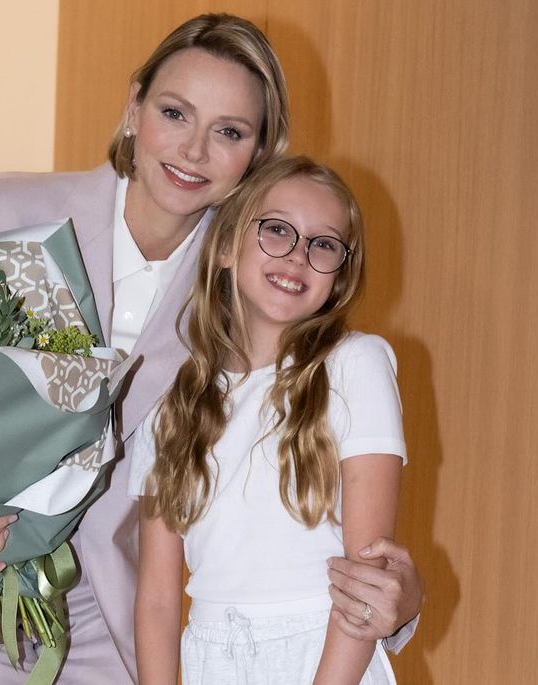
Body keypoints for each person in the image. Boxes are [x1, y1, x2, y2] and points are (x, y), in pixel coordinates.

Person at [0, 14, 423, 684]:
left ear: (259, 155)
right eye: (175, 113)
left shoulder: (247, 289)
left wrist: (400, 601)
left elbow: (274, 499)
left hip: (119, 634)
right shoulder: (5, 213)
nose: (193, 149)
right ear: (134, 107)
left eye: (230, 132)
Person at [130, 156, 405, 685]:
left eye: (324, 244)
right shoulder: (172, 398)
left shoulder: (354, 364)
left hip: (326, 659)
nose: (298, 255)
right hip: (211, 661)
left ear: (341, 273)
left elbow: (365, 578)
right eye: (277, 230)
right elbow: (158, 600)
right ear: (229, 245)